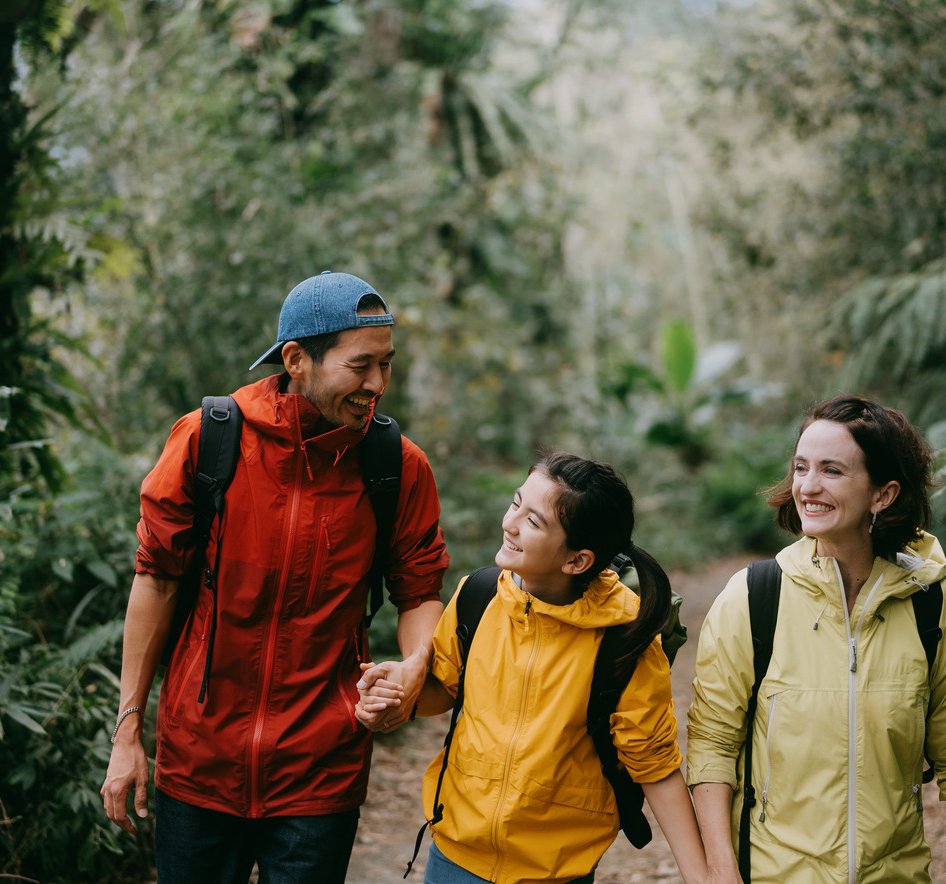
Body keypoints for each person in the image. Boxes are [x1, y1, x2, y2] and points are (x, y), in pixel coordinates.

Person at [99, 271, 450, 884]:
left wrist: (415, 670)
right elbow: (155, 581)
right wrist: (128, 730)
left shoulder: (396, 465)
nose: (378, 385)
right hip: (198, 762)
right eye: (361, 365)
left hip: (322, 770)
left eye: (387, 365)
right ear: (296, 360)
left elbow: (419, 591)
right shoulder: (209, 440)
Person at [359, 452, 715, 884]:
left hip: (556, 872)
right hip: (455, 857)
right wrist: (401, 695)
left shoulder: (623, 637)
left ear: (577, 561)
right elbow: (446, 689)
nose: (510, 523)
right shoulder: (479, 596)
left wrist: (703, 876)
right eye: (515, 503)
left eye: (534, 521)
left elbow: (654, 765)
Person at [685, 395, 946, 884]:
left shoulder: (935, 608)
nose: (807, 486)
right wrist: (722, 872)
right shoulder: (754, 597)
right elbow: (712, 744)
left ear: (883, 494)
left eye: (831, 470)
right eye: (801, 467)